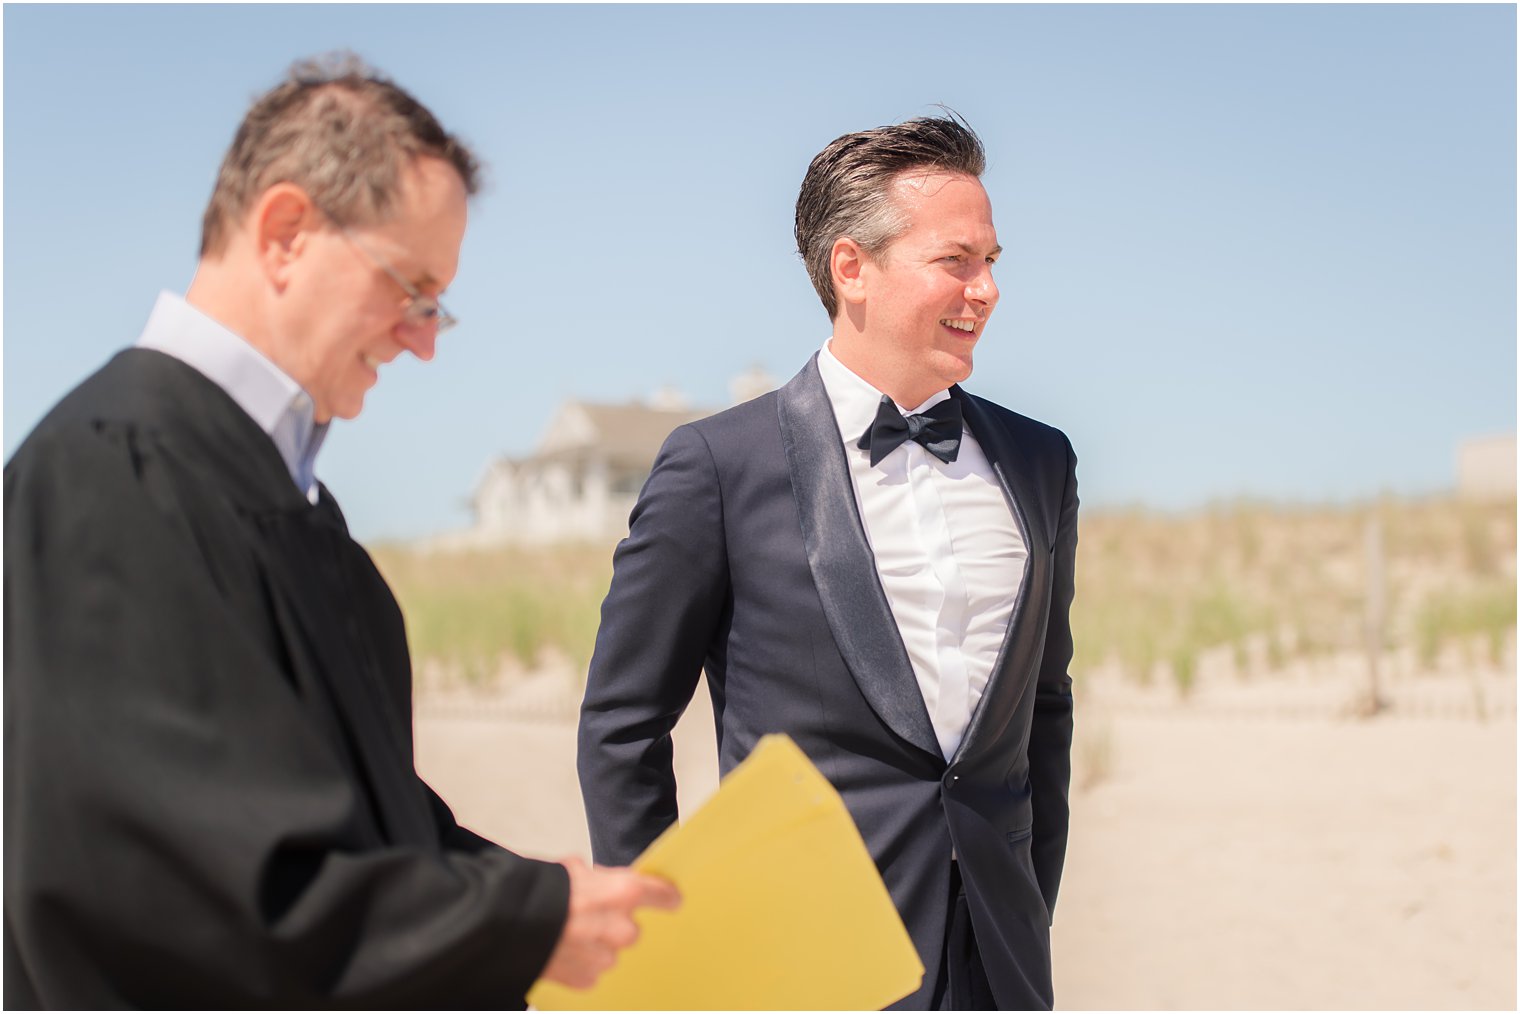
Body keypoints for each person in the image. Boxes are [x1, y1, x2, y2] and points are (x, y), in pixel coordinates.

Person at [4, 55, 677, 1008]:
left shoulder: (302, 513)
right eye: (410, 287)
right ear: (284, 233)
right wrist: (518, 920)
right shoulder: (113, 471)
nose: (425, 338)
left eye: (437, 302)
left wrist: (553, 904)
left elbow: (365, 824)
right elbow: (175, 890)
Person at [577, 113, 1077, 1010]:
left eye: (993, 260)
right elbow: (623, 728)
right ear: (852, 267)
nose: (987, 288)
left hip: (1001, 963)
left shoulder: (1043, 463)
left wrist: (1029, 903)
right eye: (956, 260)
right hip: (798, 963)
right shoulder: (718, 466)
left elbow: (1045, 707)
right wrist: (666, 948)